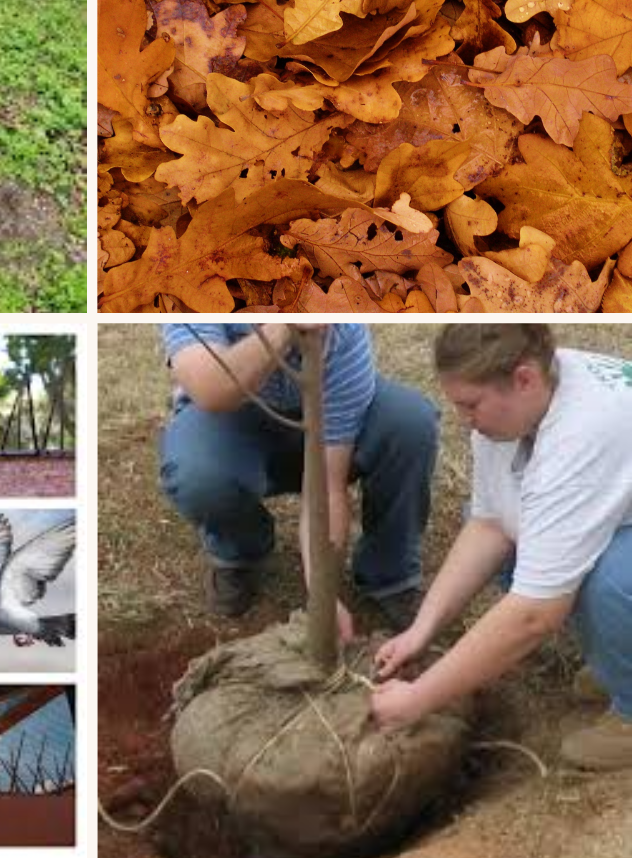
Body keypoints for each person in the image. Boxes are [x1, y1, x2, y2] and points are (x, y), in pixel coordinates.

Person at [372, 324, 632, 771]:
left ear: (524, 379)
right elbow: (492, 525)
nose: (463, 419)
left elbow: (536, 613)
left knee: (609, 580)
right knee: (525, 534)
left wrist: (417, 699)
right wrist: (422, 631)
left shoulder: (585, 432)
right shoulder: (523, 401)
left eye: (470, 405)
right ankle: (616, 659)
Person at [159, 323, 438, 635]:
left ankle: (389, 571)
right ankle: (240, 550)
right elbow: (213, 391)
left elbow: (327, 487)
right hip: (233, 420)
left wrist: (322, 595)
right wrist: (283, 328)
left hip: (321, 417)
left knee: (409, 423)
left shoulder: (339, 326)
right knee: (198, 473)